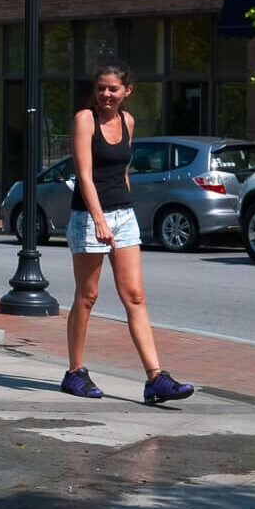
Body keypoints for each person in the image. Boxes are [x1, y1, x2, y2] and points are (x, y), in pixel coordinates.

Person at [62, 61, 194, 405]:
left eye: (113, 89)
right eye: (101, 88)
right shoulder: (84, 120)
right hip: (89, 216)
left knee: (135, 296)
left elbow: (121, 171)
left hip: (123, 215)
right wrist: (100, 220)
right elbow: (85, 176)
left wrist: (126, 212)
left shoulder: (127, 121)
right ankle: (74, 372)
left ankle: (156, 379)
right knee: (87, 296)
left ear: (127, 91)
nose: (106, 94)